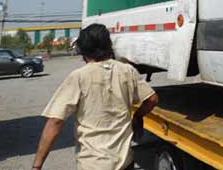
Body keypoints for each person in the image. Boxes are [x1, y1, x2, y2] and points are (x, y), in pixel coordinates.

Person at [32, 23, 159, 170]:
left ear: (83, 49)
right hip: (124, 163)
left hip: (92, 164)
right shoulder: (127, 70)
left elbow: (55, 122)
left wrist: (37, 165)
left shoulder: (79, 77)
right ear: (108, 46)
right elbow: (152, 99)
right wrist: (137, 116)